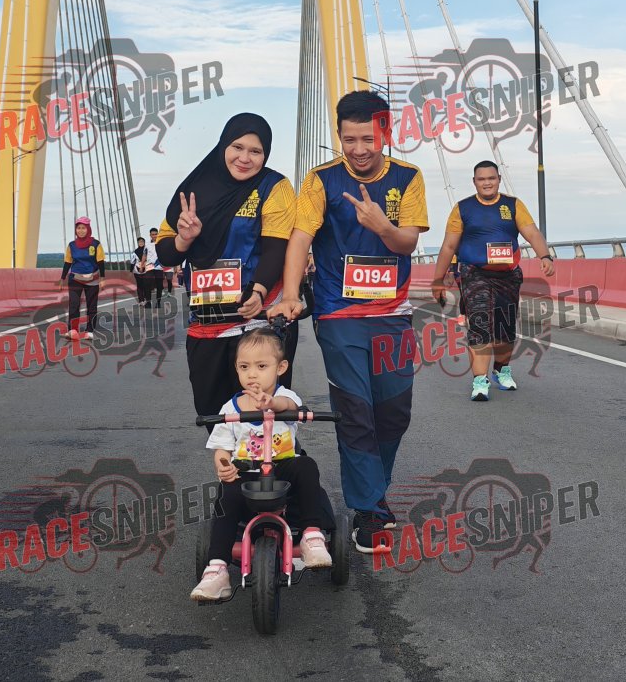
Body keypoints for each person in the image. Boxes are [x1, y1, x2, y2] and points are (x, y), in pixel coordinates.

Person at [270, 91, 428, 553]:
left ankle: (373, 494)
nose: (359, 149)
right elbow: (301, 237)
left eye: (368, 139)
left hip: (393, 316)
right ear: (338, 136)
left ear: (385, 134)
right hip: (339, 314)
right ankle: (367, 511)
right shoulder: (321, 180)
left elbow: (407, 243)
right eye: (349, 139)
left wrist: (382, 226)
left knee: (393, 414)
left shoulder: (408, 177)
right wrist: (291, 294)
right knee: (356, 411)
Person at [155, 113, 298, 420]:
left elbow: (276, 249)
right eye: (237, 147)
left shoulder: (274, 187)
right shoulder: (193, 189)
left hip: (258, 322)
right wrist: (183, 239)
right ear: (223, 146)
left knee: (263, 418)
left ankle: (276, 455)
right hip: (206, 324)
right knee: (214, 417)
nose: (245, 158)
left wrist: (259, 292)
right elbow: (166, 255)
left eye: (256, 151)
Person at [190, 328, 332, 601]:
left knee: (306, 466)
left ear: (281, 367)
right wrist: (223, 465)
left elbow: (290, 406)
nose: (252, 374)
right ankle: (217, 567)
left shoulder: (286, 397)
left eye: (261, 366)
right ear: (236, 369)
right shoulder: (230, 409)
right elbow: (221, 447)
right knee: (227, 492)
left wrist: (272, 403)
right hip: (247, 472)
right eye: (244, 367)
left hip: (283, 469)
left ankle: (312, 534)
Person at [432, 161, 554, 402]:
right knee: (480, 326)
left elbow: (531, 232)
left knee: (505, 329)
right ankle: (480, 381)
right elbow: (448, 246)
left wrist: (545, 256)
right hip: (474, 273)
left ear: (499, 179)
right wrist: (438, 280)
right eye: (481, 179)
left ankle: (501, 370)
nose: (487, 183)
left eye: (491, 178)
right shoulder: (463, 208)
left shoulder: (513, 205)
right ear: (474, 182)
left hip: (508, 276)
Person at [57, 217, 105, 339]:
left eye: (83, 228)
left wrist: (102, 278)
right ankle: (73, 330)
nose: (81, 231)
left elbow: (100, 262)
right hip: (75, 279)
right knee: (74, 305)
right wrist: (62, 278)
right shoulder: (72, 245)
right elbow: (67, 262)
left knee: (91, 305)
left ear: (88, 229)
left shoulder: (96, 244)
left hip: (92, 278)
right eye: (78, 228)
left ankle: (90, 331)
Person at [143, 227, 164, 308]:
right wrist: (142, 265)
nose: (154, 236)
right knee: (147, 284)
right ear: (150, 235)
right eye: (153, 234)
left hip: (159, 266)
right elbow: (144, 255)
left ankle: (158, 302)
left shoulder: (161, 243)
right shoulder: (147, 245)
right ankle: (148, 302)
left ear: (158, 234)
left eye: (156, 234)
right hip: (149, 266)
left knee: (159, 286)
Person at [130, 236, 147, 304]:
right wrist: (131, 271)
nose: (141, 243)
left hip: (146, 270)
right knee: (139, 285)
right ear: (137, 243)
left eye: (142, 241)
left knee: (146, 285)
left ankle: (146, 298)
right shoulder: (135, 252)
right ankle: (141, 300)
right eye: (139, 242)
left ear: (144, 242)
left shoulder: (147, 251)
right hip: (137, 271)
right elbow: (132, 262)